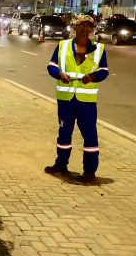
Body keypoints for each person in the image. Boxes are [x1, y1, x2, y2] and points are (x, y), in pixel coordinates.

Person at [45, 15, 109, 183]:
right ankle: (61, 165)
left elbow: (104, 71)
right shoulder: (62, 46)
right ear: (75, 27)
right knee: (64, 133)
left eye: (89, 26)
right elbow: (51, 66)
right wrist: (59, 74)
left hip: (86, 102)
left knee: (90, 136)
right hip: (66, 99)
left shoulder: (99, 49)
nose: (85, 29)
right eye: (81, 25)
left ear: (93, 29)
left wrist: (93, 77)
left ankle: (89, 172)